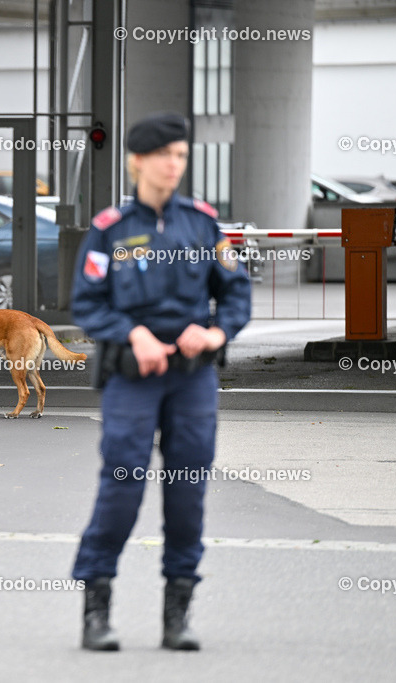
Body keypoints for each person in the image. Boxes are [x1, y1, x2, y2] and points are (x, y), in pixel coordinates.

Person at [69, 112, 251, 651]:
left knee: (188, 491)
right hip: (134, 377)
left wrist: (215, 334)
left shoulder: (203, 224)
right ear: (137, 161)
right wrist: (133, 335)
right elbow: (87, 302)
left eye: (181, 155)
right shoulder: (111, 229)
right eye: (166, 155)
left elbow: (236, 294)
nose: (175, 164)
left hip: (192, 380)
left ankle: (178, 612)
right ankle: (96, 608)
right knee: (122, 486)